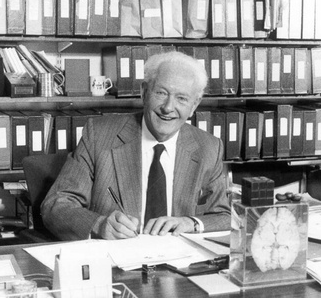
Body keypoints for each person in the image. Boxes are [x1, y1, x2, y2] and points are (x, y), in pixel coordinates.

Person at [41, 51, 231, 240]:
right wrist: (98, 224)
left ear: (195, 104)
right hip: (116, 259)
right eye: (161, 93)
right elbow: (56, 205)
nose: (168, 107)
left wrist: (192, 223)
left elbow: (225, 217)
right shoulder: (99, 136)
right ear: (144, 92)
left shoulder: (209, 148)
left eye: (181, 98)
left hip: (180, 262)